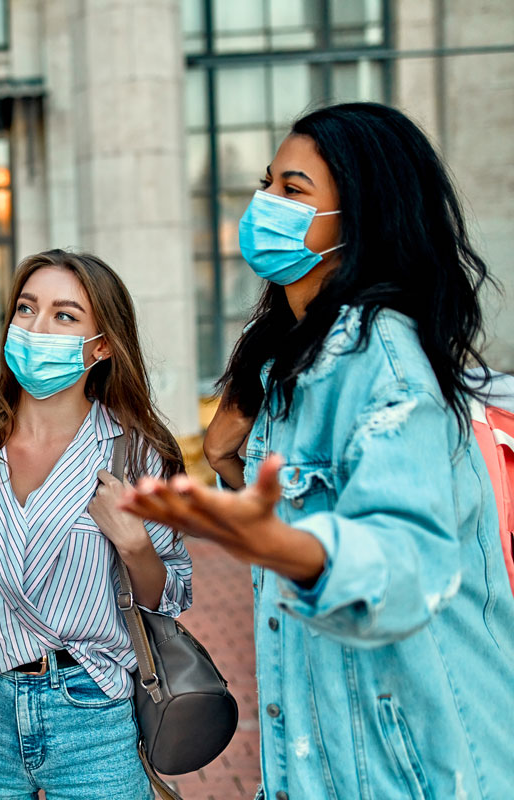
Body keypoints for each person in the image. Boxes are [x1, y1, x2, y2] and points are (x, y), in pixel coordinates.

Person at [119, 102, 514, 799]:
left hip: (412, 775)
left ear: (358, 217)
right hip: (325, 765)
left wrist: (289, 547)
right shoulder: (296, 362)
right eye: (267, 183)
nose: (263, 204)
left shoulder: (383, 359)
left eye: (292, 190)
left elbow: (405, 561)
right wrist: (231, 461)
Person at [0, 249, 193, 800]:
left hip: (94, 714)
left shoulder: (136, 456)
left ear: (101, 346)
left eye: (64, 315)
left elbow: (169, 595)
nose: (36, 327)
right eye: (26, 309)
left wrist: (135, 547)